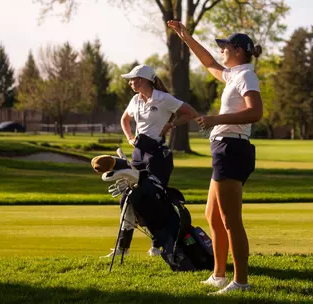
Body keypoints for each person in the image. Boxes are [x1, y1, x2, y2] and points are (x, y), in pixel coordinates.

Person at [167, 20, 263, 294]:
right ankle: (219, 274)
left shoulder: (246, 76)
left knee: (231, 220)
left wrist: (214, 119)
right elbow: (208, 62)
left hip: (233, 149)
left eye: (225, 47)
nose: (220, 50)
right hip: (224, 148)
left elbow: (255, 112)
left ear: (239, 51)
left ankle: (241, 282)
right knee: (213, 215)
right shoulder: (234, 74)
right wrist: (187, 38)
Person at [103, 64, 198, 258]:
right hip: (139, 154)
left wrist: (171, 124)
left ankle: (158, 244)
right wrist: (130, 138)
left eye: (133, 79)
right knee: (127, 199)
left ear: (145, 80)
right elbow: (124, 119)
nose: (130, 82)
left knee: (152, 199)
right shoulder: (135, 100)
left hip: (158, 157)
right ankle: (122, 248)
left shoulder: (163, 99)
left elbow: (191, 113)